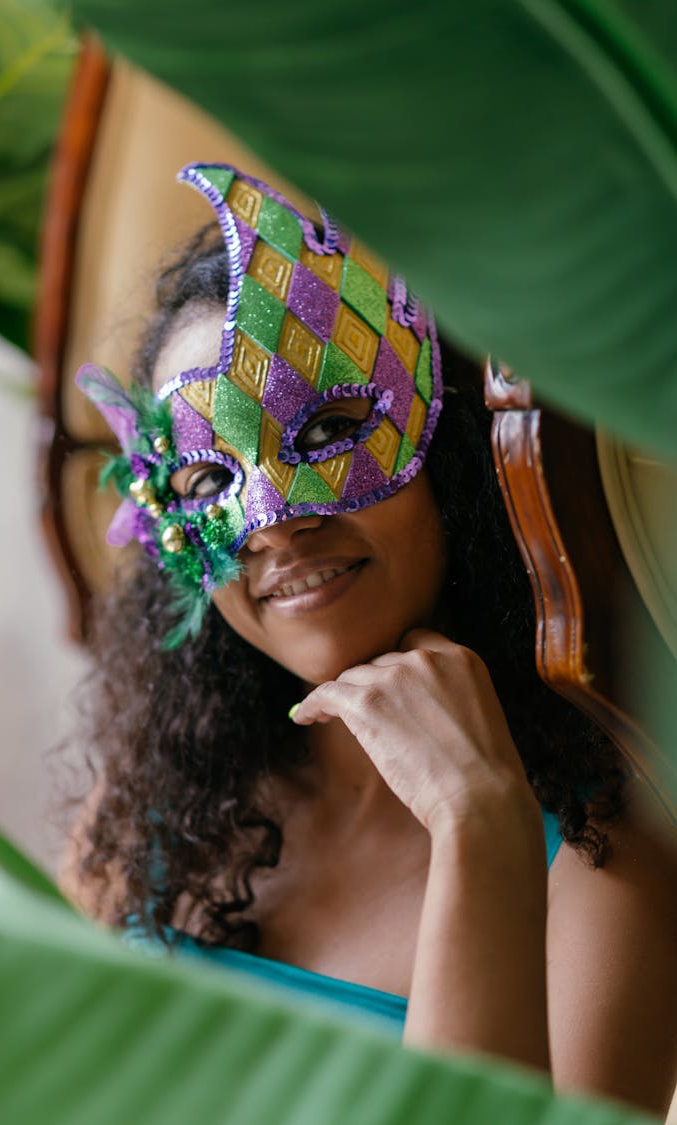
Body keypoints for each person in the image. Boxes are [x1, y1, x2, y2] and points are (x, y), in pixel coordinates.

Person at [64, 163, 677, 1115]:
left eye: (331, 430)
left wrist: (481, 821)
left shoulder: (610, 856)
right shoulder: (149, 809)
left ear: (450, 454)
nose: (273, 522)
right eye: (207, 483)